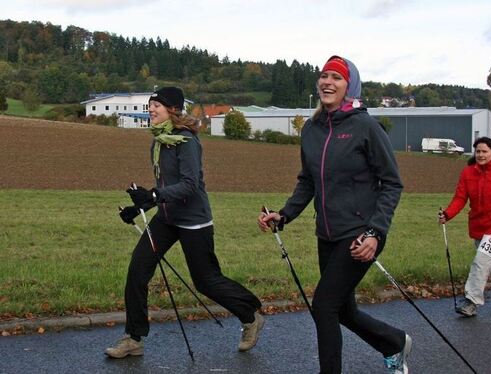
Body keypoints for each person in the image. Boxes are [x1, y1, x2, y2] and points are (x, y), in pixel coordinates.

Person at [257, 56, 411, 374]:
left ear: (349, 86)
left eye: (336, 78)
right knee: (343, 309)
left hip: (360, 234)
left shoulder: (366, 126)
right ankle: (394, 342)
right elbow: (308, 181)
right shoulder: (312, 129)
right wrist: (284, 214)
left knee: (324, 305)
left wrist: (376, 232)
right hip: (326, 233)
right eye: (324, 76)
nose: (328, 82)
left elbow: (392, 183)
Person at [106, 87, 264, 358]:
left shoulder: (186, 141)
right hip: (167, 218)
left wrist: (154, 195)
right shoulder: (159, 141)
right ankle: (134, 338)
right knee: (137, 271)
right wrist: (140, 205)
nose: (151, 109)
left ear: (173, 109)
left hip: (193, 220)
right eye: (150, 105)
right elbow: (164, 186)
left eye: (157, 105)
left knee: (206, 281)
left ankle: (250, 314)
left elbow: (190, 186)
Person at [439, 137, 491, 317]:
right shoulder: (468, 173)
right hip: (478, 225)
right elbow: (460, 198)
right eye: (478, 151)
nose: (480, 154)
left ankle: (471, 300)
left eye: (484, 151)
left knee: (481, 261)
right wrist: (447, 214)